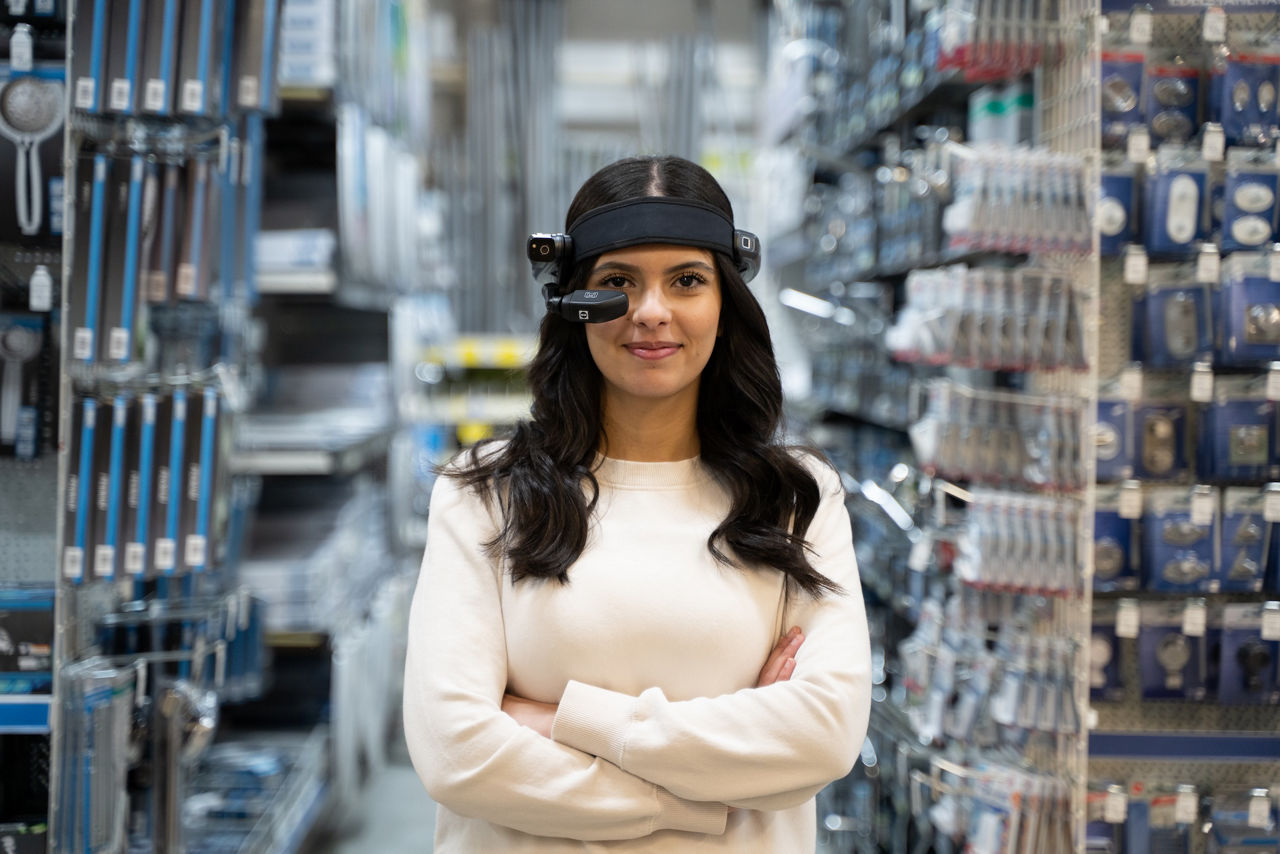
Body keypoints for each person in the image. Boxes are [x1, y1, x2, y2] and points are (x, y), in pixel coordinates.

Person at [403, 155, 871, 852]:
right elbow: (458, 754)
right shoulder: (486, 495)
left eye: (687, 281)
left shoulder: (795, 498)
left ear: (726, 302)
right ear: (573, 303)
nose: (652, 313)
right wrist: (709, 790)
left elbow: (823, 737)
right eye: (618, 282)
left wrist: (561, 719)